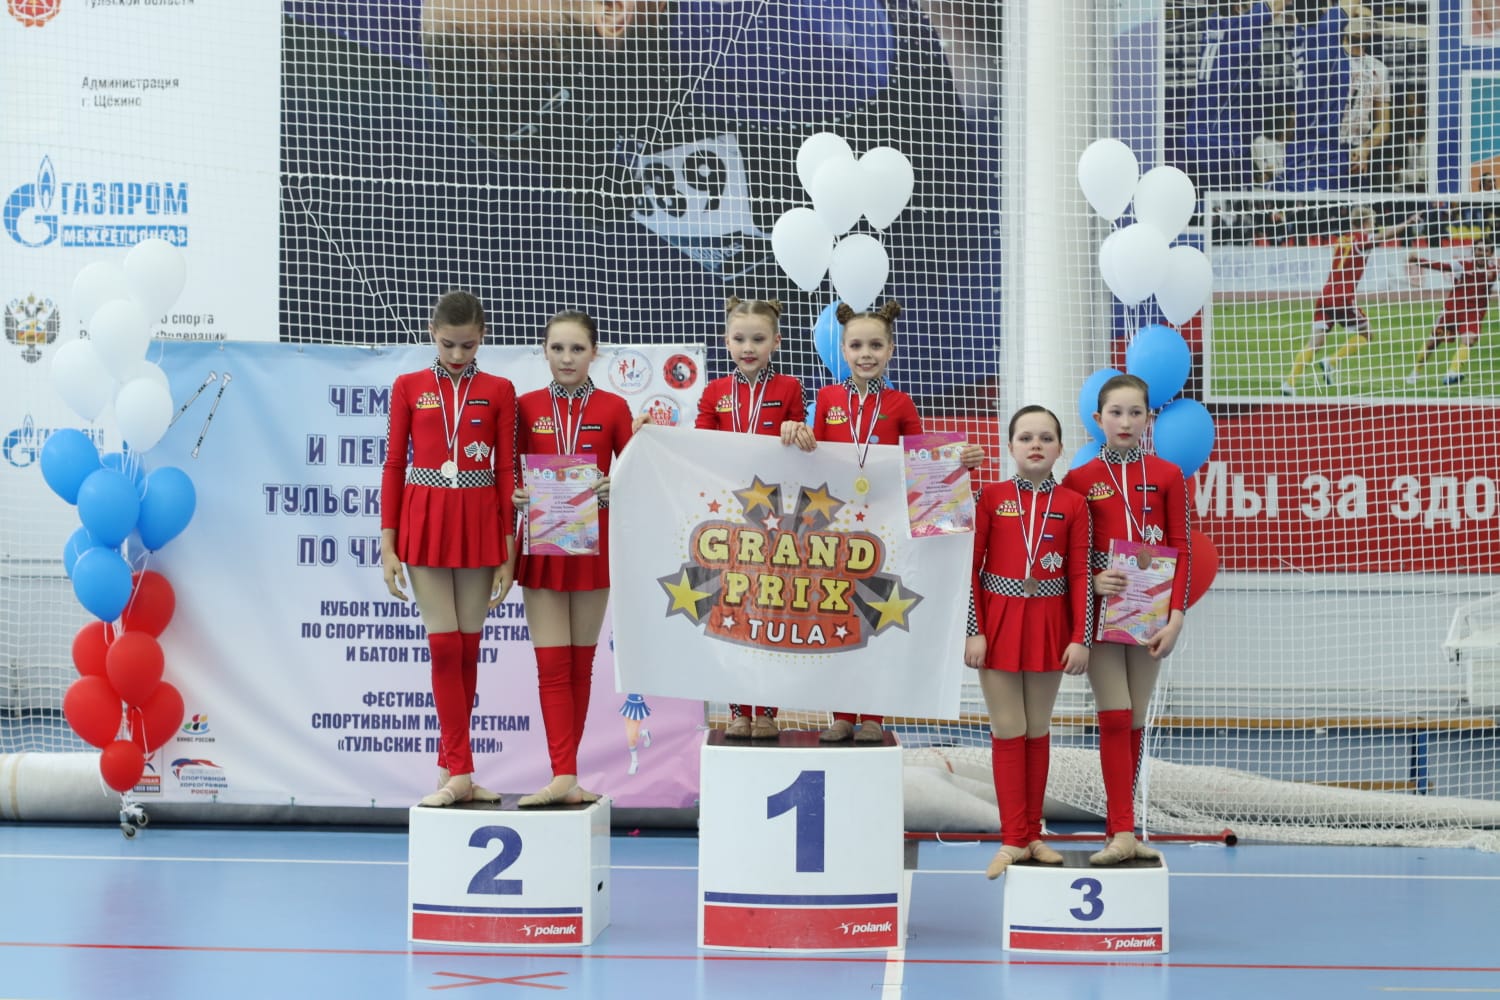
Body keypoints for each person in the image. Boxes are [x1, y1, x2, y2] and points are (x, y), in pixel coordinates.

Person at [279, 2, 1000, 407]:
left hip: (889, 334)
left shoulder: (462, 33)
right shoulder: (777, 41)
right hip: (934, 324)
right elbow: (864, 50)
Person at [781, 300, 983, 743]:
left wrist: (961, 459)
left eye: (875, 345)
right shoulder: (827, 399)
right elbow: (809, 456)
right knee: (836, 615)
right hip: (835, 527)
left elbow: (925, 463)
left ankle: (873, 715)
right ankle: (840, 714)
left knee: (874, 617)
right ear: (843, 350)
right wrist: (797, 433)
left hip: (886, 530)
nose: (865, 354)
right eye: (856, 346)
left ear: (891, 350)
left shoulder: (900, 403)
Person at [380, 290, 518, 807]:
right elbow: (395, 463)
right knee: (443, 646)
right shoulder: (408, 386)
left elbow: (506, 469)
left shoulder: (499, 390)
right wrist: (387, 543)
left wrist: (508, 547)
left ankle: (451, 768)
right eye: (447, 345)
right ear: (431, 334)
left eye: (467, 345)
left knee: (467, 648)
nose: (458, 355)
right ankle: (461, 770)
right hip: (425, 519)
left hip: (480, 520)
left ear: (482, 337)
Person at [512, 309, 641, 806]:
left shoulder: (614, 407)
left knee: (580, 664)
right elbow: (506, 472)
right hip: (544, 544)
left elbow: (636, 472)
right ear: (544, 351)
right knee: (552, 666)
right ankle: (562, 773)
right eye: (557, 348)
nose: (566, 358)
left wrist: (616, 485)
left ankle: (568, 775)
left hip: (593, 545)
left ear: (594, 353)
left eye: (577, 349)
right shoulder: (524, 407)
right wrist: (516, 493)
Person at [1061, 374, 1190, 866]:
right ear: (1098, 419)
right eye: (1116, 412)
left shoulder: (1168, 475)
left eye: (1136, 412)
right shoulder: (1080, 480)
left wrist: (1176, 618)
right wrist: (1093, 580)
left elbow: (1181, 548)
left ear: (1149, 419)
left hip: (1151, 612)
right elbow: (1071, 555)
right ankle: (1119, 832)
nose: (1126, 421)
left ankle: (1126, 829)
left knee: (1135, 718)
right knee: (1114, 715)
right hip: (1103, 612)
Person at [962, 406, 1091, 879]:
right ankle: (1012, 838)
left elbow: (1080, 574)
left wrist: (1080, 637)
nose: (1036, 444)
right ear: (1010, 446)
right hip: (997, 621)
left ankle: (1033, 835)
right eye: (1025, 437)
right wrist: (973, 629)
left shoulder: (1074, 504)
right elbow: (969, 568)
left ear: (1060, 448)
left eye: (1046, 438)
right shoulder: (990, 497)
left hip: (1049, 622)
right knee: (1008, 728)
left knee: (1037, 729)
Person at [696, 296, 806, 739]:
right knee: (732, 607)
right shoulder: (714, 392)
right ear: (726, 341)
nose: (748, 347)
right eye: (739, 339)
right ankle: (738, 709)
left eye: (758, 339)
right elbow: (698, 444)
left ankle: (768, 711)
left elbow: (805, 446)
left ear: (775, 342)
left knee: (771, 607)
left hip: (774, 517)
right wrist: (653, 433)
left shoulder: (790, 388)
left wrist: (798, 430)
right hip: (728, 516)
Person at [1281, 205, 1419, 394]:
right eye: (1372, 222)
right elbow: (1385, 236)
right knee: (1367, 334)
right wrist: (1407, 222)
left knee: (1314, 343)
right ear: (1366, 222)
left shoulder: (1342, 240)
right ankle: (1332, 361)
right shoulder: (1360, 240)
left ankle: (1289, 383)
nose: (1374, 226)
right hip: (1342, 298)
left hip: (1325, 296)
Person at [1406, 243, 1500, 387]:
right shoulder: (1462, 265)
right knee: (1432, 343)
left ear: (1490, 253)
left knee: (1469, 339)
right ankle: (1415, 372)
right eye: (1479, 250)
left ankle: (1452, 373)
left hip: (1473, 314)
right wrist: (1419, 261)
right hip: (1452, 310)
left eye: (1486, 250)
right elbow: (1441, 266)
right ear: (1474, 252)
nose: (1482, 253)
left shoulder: (1494, 270)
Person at [620, 693, 653, 775]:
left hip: (637, 704)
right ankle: (644, 733)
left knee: (631, 737)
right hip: (629, 701)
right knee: (630, 735)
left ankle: (634, 762)